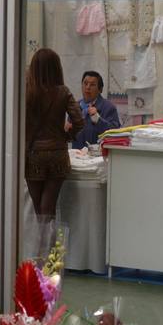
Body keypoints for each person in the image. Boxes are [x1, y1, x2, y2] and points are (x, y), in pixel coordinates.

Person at [23, 47, 82, 217]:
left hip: (33, 154)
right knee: (48, 208)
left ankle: (41, 243)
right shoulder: (63, 92)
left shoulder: (26, 92)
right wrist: (67, 136)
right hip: (57, 153)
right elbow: (79, 121)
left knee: (38, 210)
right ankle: (49, 243)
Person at [71, 71, 121, 149]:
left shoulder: (109, 107)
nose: (87, 87)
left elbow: (115, 134)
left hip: (98, 156)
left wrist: (98, 120)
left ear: (100, 89)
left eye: (92, 85)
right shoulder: (75, 107)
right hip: (78, 155)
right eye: (85, 83)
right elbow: (69, 136)